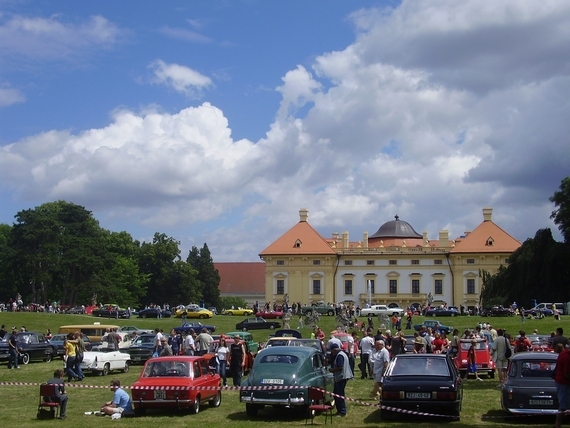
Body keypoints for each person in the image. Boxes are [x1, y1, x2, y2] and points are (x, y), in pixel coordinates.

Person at [329, 343, 352, 417]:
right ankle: (339, 410)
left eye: (332, 351)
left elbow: (340, 367)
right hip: (342, 377)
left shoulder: (339, 356)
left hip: (341, 377)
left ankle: (342, 412)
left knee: (339, 395)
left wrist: (332, 370)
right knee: (336, 393)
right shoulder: (342, 354)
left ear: (334, 350)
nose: (332, 353)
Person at [554, 343, 570, 428]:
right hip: (564, 383)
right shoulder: (567, 357)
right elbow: (567, 373)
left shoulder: (563, 353)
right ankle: (557, 425)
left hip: (561, 381)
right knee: (563, 406)